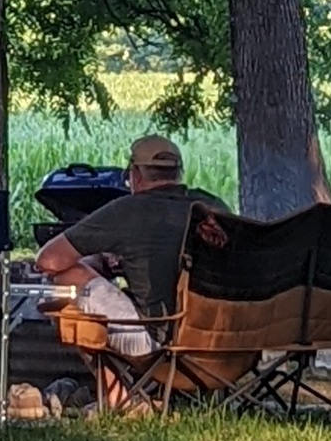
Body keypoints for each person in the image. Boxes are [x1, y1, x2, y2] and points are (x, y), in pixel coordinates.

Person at [33, 135, 222, 348]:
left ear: (135, 174)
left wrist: (92, 265)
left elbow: (48, 261)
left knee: (69, 275)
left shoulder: (128, 209)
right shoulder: (214, 207)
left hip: (161, 340)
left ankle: (115, 372)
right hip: (226, 340)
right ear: (179, 173)